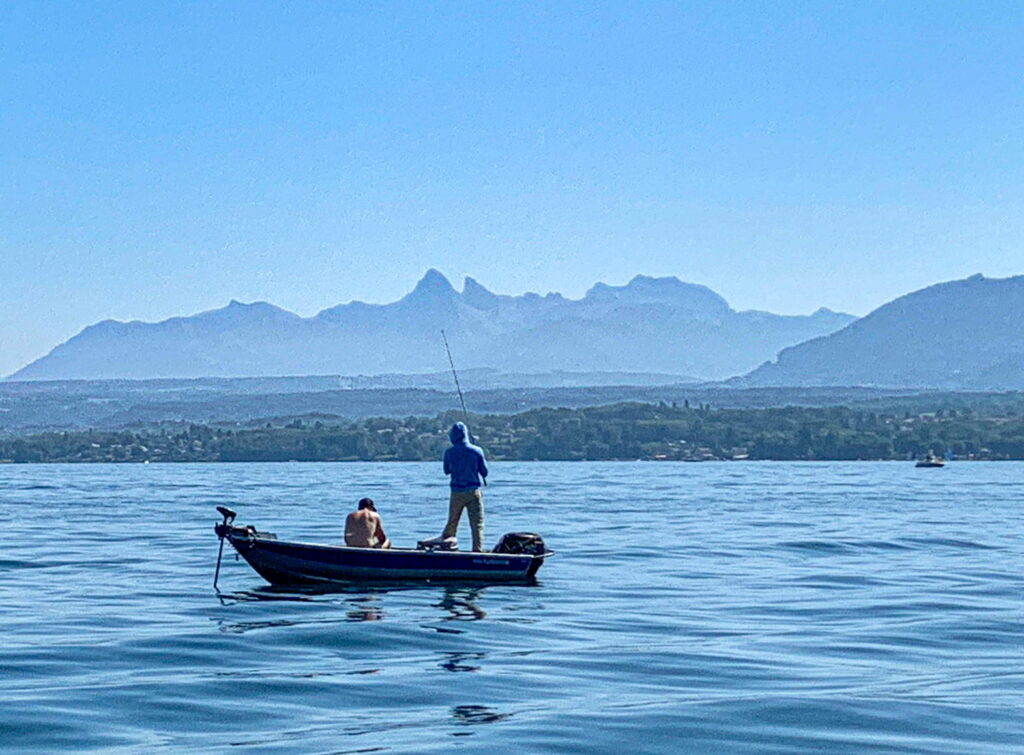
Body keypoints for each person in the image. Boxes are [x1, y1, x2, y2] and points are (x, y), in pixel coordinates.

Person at [441, 421, 488, 551]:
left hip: (456, 492)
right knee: (477, 524)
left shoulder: (449, 452)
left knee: (453, 522)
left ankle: (449, 547)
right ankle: (477, 550)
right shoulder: (477, 451)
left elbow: (446, 471)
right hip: (473, 491)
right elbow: (484, 472)